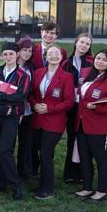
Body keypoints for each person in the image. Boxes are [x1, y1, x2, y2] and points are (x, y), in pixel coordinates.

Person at [0, 42, 32, 199]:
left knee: (5, 151)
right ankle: (0, 182)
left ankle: (15, 185)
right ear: (2, 56)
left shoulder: (23, 76)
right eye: (5, 54)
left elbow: (20, 96)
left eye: (11, 54)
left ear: (17, 55)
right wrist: (1, 107)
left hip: (12, 117)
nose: (8, 57)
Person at [73, 50, 107, 201]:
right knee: (85, 158)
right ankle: (87, 188)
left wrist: (97, 108)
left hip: (100, 127)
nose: (100, 61)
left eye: (104, 60)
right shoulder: (89, 75)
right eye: (98, 58)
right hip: (82, 124)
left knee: (101, 159)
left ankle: (101, 190)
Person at [29, 45, 75, 200]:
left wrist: (49, 108)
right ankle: (42, 183)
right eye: (50, 53)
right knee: (39, 153)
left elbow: (68, 102)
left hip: (54, 121)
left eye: (57, 53)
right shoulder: (38, 72)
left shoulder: (67, 77)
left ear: (61, 58)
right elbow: (31, 93)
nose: (54, 56)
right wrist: (35, 104)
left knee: (46, 154)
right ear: (45, 56)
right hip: (37, 119)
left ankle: (47, 189)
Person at [62, 32, 94, 184]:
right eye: (82, 42)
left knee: (84, 139)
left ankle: (83, 173)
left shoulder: (92, 62)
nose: (84, 45)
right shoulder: (66, 63)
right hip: (71, 105)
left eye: (87, 44)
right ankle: (69, 172)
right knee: (71, 138)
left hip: (86, 105)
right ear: (76, 43)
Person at [15, 35, 38, 183]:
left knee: (26, 142)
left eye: (30, 51)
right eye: (25, 50)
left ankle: (23, 172)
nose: (27, 53)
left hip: (27, 110)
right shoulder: (11, 64)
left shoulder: (32, 69)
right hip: (12, 110)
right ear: (18, 51)